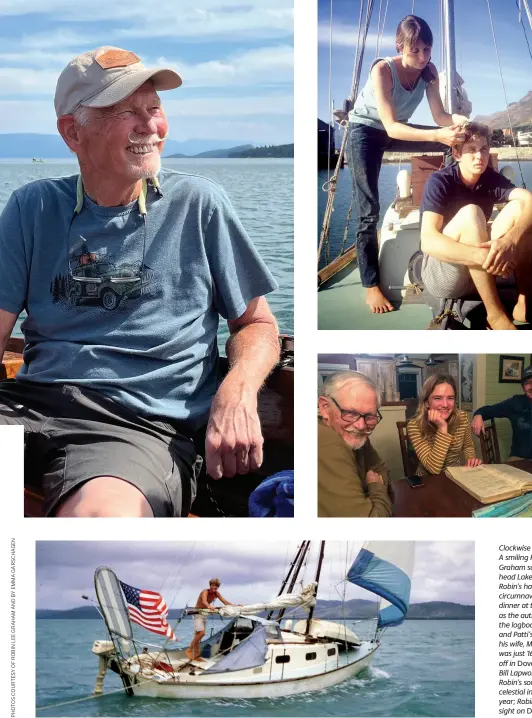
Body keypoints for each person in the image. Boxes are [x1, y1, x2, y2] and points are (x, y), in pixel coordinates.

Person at [0, 46, 280, 518]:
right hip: (29, 405)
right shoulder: (32, 207)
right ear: (73, 132)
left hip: (137, 424)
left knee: (101, 519)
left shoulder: (198, 203)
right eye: (126, 111)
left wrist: (237, 392)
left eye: (153, 109)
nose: (150, 125)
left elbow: (256, 325)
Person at [346, 14, 469, 314]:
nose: (423, 56)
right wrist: (438, 134)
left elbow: (440, 117)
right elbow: (390, 127)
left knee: (452, 142)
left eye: (427, 49)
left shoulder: (429, 72)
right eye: (416, 50)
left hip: (396, 128)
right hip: (366, 131)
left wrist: (460, 123)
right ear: (400, 46)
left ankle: (449, 213)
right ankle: (371, 285)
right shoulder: (383, 70)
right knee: (368, 210)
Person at [420, 122, 532, 330]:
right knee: (471, 213)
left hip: (484, 270)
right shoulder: (440, 181)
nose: (479, 157)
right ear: (457, 155)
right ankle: (495, 314)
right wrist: (482, 257)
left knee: (521, 209)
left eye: (483, 149)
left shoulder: (490, 178)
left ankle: (525, 303)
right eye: (471, 150)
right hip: (445, 273)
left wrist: (509, 241)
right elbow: (427, 241)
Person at [318, 371, 392, 517]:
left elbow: (382, 469)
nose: (360, 425)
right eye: (350, 413)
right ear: (325, 408)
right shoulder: (328, 444)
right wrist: (375, 486)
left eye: (369, 416)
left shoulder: (355, 436)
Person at [471, 363, 532, 460]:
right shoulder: (515, 402)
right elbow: (490, 410)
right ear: (523, 386)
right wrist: (478, 414)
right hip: (518, 458)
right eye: (528, 383)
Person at [407, 373, 481, 476]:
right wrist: (442, 428)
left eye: (450, 398)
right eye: (438, 398)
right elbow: (433, 469)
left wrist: (471, 459)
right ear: (427, 402)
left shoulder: (462, 417)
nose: (445, 405)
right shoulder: (414, 426)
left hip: (455, 476)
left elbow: (468, 446)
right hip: (427, 480)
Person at [187, 578, 236, 662]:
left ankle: (196, 656)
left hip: (204, 613)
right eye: (213, 585)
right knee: (202, 633)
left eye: (216, 586)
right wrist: (209, 606)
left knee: (198, 636)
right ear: (210, 585)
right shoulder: (205, 591)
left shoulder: (216, 593)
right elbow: (204, 601)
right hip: (197, 613)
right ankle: (189, 650)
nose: (215, 587)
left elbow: (224, 601)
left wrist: (235, 606)